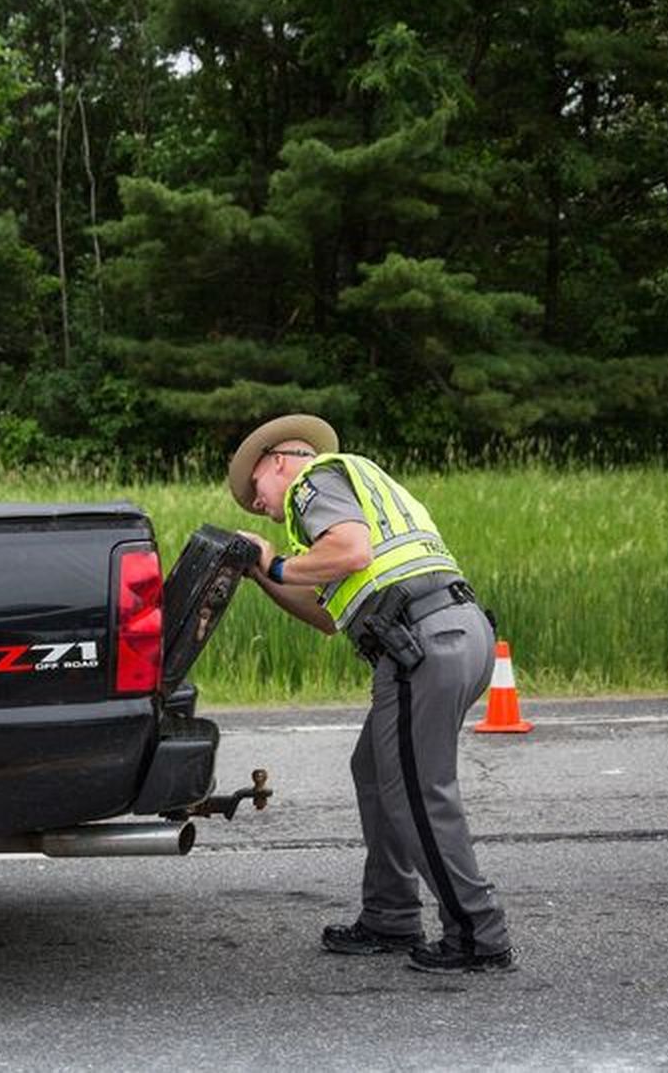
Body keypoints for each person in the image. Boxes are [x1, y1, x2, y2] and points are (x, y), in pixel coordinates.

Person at [227, 414, 515, 973]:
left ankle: (478, 933)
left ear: (278, 462)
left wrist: (277, 561)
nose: (258, 505)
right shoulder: (355, 490)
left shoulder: (314, 484)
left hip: (421, 641)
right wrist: (265, 574)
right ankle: (390, 915)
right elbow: (326, 617)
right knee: (375, 769)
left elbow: (353, 551)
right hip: (452, 633)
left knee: (416, 791)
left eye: (254, 491)